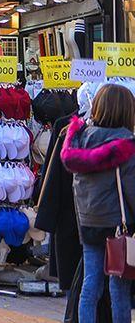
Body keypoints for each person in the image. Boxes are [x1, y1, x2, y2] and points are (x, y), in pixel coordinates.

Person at [62, 83, 135, 323]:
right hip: (118, 223)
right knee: (119, 284)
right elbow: (131, 188)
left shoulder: (80, 140)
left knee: (90, 283)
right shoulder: (127, 145)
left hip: (88, 221)